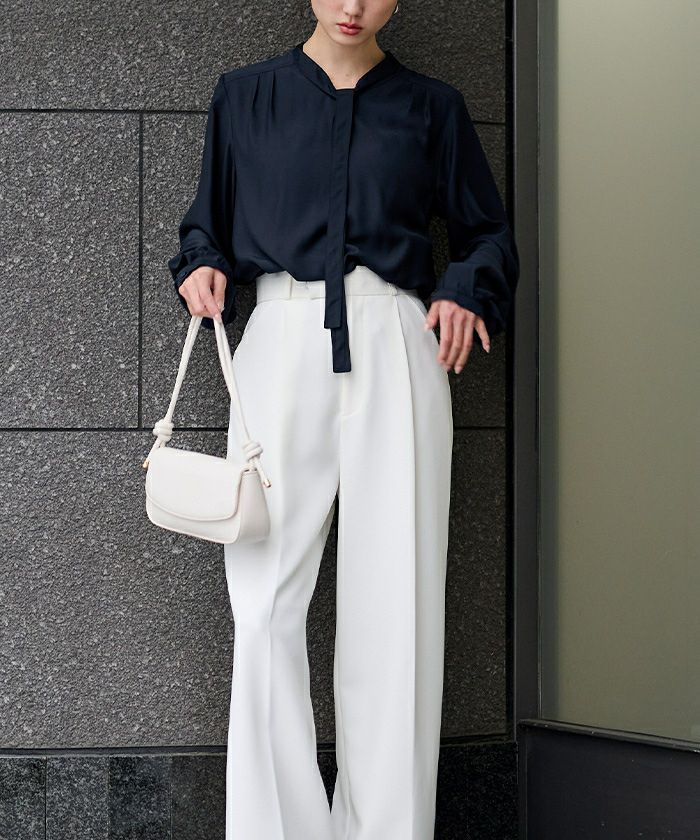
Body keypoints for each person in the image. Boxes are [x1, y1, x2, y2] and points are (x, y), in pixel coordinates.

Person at [168, 2, 519, 838]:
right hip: (279, 341)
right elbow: (205, 225)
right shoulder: (245, 96)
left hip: (397, 341)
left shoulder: (432, 108)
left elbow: (487, 235)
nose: (352, 5)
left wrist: (464, 291)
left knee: (397, 610)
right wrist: (200, 266)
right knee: (262, 606)